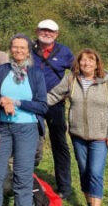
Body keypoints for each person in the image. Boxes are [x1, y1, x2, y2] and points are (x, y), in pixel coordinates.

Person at [47, 49, 108, 206]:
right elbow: (53, 96)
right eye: (83, 60)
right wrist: (33, 104)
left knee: (95, 172)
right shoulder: (71, 80)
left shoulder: (106, 82)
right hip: (78, 135)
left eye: (90, 60)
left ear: (96, 64)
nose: (86, 63)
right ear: (78, 63)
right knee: (84, 172)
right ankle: (90, 202)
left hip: (100, 136)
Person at [0, 34, 48, 206]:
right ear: (10, 49)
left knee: (22, 177)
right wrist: (2, 101)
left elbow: (43, 106)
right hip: (2, 128)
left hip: (27, 129)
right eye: (15, 47)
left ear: (29, 51)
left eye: (23, 47)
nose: (19, 50)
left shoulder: (35, 73)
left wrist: (15, 102)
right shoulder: (2, 70)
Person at [32, 19, 75, 198]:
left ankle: (64, 187)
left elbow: (77, 71)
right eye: (43, 30)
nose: (47, 33)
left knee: (59, 144)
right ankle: (28, 181)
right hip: (33, 103)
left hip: (55, 103)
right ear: (37, 31)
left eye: (51, 31)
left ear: (56, 34)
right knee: (30, 141)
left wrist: (67, 89)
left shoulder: (64, 52)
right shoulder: (29, 48)